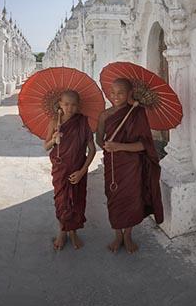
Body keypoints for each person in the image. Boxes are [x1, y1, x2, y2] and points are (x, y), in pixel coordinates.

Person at [97, 78, 163, 254]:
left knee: (132, 199)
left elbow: (145, 145)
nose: (116, 96)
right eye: (113, 93)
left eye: (120, 93)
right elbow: (99, 138)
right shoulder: (104, 115)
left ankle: (128, 234)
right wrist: (105, 145)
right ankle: (118, 234)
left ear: (129, 94)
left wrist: (119, 146)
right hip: (113, 164)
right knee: (114, 198)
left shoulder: (137, 113)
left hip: (132, 165)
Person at [43, 89, 97, 250]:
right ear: (60, 104)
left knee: (77, 201)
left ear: (78, 106)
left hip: (78, 169)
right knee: (62, 201)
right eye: (66, 104)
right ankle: (62, 231)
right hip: (61, 169)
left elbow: (92, 150)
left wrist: (82, 171)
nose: (70, 108)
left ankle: (73, 232)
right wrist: (53, 139)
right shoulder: (54, 123)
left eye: (73, 105)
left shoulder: (82, 122)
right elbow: (46, 147)